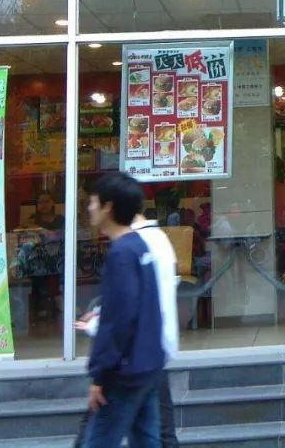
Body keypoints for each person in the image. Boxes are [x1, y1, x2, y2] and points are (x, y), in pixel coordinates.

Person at [76, 188, 180, 448]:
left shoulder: (124, 251)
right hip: (148, 358)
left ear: (108, 207)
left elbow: (121, 318)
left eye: (93, 202)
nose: (89, 207)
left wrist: (99, 375)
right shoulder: (144, 244)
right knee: (152, 437)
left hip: (126, 365)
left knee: (97, 439)